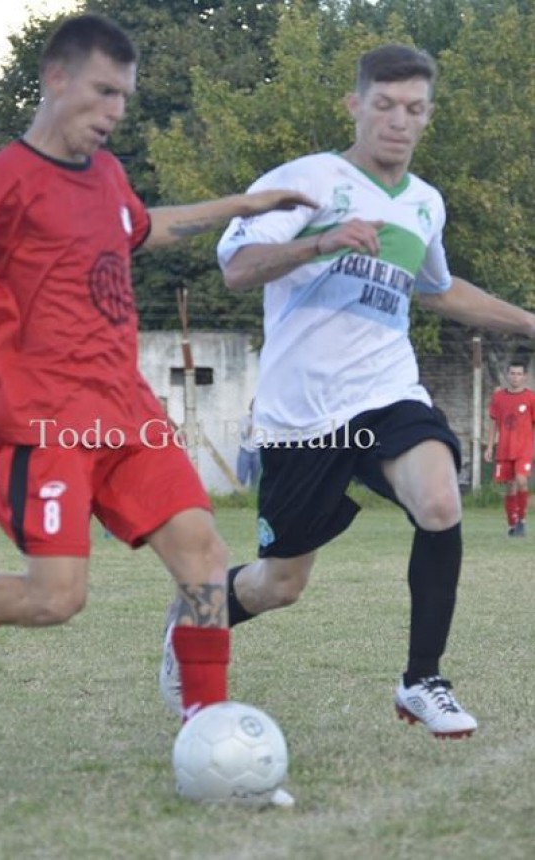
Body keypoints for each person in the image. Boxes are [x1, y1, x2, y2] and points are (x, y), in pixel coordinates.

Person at [0, 13, 315, 751]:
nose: (115, 110)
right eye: (104, 91)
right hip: (41, 421)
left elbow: (144, 226)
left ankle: (206, 732)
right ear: (56, 78)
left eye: (124, 97)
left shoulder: (107, 175)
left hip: (127, 412)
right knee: (55, 599)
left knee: (205, 556)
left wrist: (244, 205)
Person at [159, 44, 535, 740]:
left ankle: (422, 679)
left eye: (414, 108)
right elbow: (238, 269)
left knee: (440, 501)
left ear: (428, 116)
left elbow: (438, 289)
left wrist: (529, 321)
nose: (399, 120)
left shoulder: (424, 204)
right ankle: (195, 614)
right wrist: (320, 242)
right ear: (355, 106)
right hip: (300, 417)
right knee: (279, 584)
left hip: (386, 392)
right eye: (384, 105)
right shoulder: (306, 180)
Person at [484, 361, 535, 536]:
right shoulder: (499, 397)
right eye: (512, 373)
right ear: (507, 375)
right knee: (510, 485)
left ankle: (522, 520)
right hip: (505, 448)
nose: (515, 377)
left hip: (524, 449)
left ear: (524, 377)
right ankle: (512, 524)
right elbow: (493, 423)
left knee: (521, 480)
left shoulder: (530, 397)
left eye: (519, 374)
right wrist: (489, 447)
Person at [236, 400, 261, 488]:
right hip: (245, 452)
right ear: (251, 408)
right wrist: (253, 423)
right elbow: (244, 436)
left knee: (255, 481)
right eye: (254, 407)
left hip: (257, 453)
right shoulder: (244, 419)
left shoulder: (263, 421)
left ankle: (251, 496)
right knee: (241, 478)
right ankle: (238, 495)